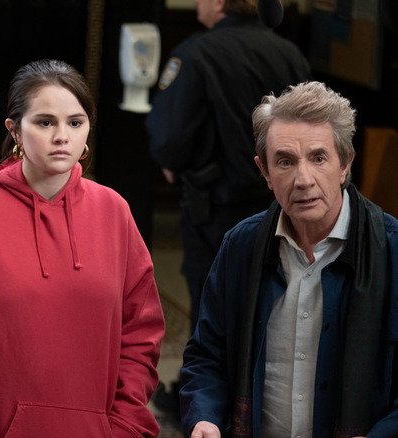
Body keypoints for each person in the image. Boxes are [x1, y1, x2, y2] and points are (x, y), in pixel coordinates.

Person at [0, 59, 165, 437]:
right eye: (45, 122)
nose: (62, 136)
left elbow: (141, 336)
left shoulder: (114, 212)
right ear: (15, 131)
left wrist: (121, 426)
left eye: (75, 122)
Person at [179, 81, 398, 437]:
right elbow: (207, 356)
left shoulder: (392, 252)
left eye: (318, 157)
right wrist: (204, 417)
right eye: (284, 161)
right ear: (264, 172)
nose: (303, 179)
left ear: (345, 164)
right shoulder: (241, 247)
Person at [145, 0, 311, 410]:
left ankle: (206, 403)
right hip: (278, 206)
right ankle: (256, 395)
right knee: (273, 299)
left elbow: (168, 137)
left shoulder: (195, 52)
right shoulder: (289, 53)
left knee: (211, 304)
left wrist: (172, 164)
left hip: (213, 207)